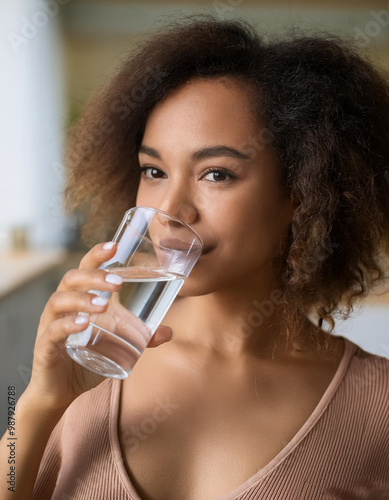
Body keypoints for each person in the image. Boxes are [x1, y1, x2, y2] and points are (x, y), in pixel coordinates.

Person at [1, 15, 389, 500]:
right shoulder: (90, 364)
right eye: (154, 170)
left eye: (217, 174)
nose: (169, 211)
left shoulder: (378, 409)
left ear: (302, 192)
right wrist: (39, 402)